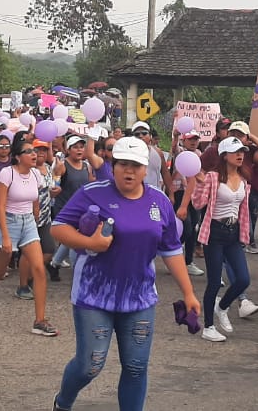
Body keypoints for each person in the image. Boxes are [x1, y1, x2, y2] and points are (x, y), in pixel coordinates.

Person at [49, 136, 202, 411]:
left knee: (135, 367)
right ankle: (62, 404)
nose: (128, 171)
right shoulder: (92, 193)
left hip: (139, 298)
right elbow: (58, 227)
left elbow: (172, 250)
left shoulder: (159, 202)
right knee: (89, 366)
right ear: (113, 164)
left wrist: (189, 293)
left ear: (146, 169)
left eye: (135, 165)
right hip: (94, 296)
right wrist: (90, 243)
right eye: (122, 164)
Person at [0, 139, 57, 336]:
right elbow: (0, 206)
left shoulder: (36, 174)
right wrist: (5, 236)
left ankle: (40, 320)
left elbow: (35, 198)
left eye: (34, 151)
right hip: (9, 222)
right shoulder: (7, 173)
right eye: (28, 151)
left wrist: (36, 216)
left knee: (38, 268)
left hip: (28, 222)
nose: (33, 154)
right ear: (18, 157)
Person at [190, 136, 255, 342]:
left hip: (233, 233)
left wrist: (245, 234)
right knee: (214, 282)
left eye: (242, 151)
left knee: (244, 279)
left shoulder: (244, 181)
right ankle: (208, 326)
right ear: (224, 155)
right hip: (215, 233)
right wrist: (199, 184)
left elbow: (243, 211)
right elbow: (198, 203)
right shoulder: (212, 177)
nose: (240, 155)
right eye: (236, 152)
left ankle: (222, 306)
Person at [46, 135, 95, 280]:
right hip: (65, 209)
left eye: (81, 147)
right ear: (68, 150)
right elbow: (55, 184)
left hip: (83, 209)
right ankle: (77, 275)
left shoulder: (87, 166)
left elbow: (91, 184)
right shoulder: (62, 165)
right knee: (75, 240)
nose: (79, 150)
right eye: (75, 147)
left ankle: (54, 264)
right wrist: (56, 180)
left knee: (70, 240)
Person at [171, 129, 205, 276]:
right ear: (184, 140)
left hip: (195, 195)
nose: (193, 141)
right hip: (180, 193)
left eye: (196, 139)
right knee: (186, 228)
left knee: (193, 230)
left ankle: (188, 262)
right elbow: (174, 148)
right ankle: (172, 253)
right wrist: (176, 135)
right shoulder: (181, 153)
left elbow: (202, 175)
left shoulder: (199, 155)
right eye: (190, 139)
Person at [130, 122, 170, 194]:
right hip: (133, 195)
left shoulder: (158, 153)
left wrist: (171, 194)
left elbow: (165, 173)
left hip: (154, 196)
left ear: (150, 136)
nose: (141, 136)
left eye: (144, 133)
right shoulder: (127, 153)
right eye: (137, 134)